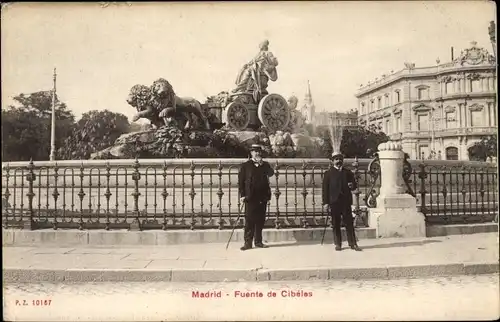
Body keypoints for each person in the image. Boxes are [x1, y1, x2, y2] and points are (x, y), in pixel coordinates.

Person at [322, 151, 362, 251]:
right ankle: (338, 244)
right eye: (336, 159)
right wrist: (326, 202)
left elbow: (354, 185)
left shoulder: (347, 173)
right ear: (332, 161)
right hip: (334, 201)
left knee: (349, 223)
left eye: (340, 159)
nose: (339, 161)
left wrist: (352, 185)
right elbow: (325, 189)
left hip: (345, 201)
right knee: (335, 223)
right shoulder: (328, 173)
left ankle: (353, 243)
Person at [238, 144, 275, 251]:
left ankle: (258, 241)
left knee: (260, 220)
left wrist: (262, 164)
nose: (257, 153)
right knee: (249, 220)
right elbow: (241, 182)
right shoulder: (245, 165)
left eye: (259, 151)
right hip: (250, 196)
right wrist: (242, 195)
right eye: (255, 151)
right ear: (251, 153)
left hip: (262, 196)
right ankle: (247, 243)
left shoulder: (265, 164)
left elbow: (271, 174)